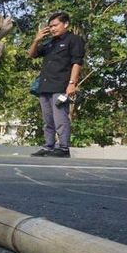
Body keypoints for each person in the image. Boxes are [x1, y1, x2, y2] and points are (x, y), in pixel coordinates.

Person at [28, 12, 85, 158]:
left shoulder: (74, 40)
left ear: (65, 24)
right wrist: (37, 40)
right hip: (45, 86)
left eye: (55, 25)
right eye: (50, 26)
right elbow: (32, 54)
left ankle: (64, 148)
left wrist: (72, 83)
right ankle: (48, 146)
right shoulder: (50, 42)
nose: (52, 29)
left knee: (60, 118)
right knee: (48, 119)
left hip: (61, 86)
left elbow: (77, 62)